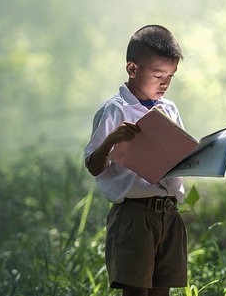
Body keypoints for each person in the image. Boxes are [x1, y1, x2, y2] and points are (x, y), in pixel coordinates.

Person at [84, 24, 187, 296]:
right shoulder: (114, 110)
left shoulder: (169, 109)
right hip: (134, 215)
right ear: (132, 69)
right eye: (158, 75)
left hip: (168, 213)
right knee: (136, 290)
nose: (165, 83)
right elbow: (94, 166)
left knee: (161, 290)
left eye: (170, 76)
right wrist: (111, 140)